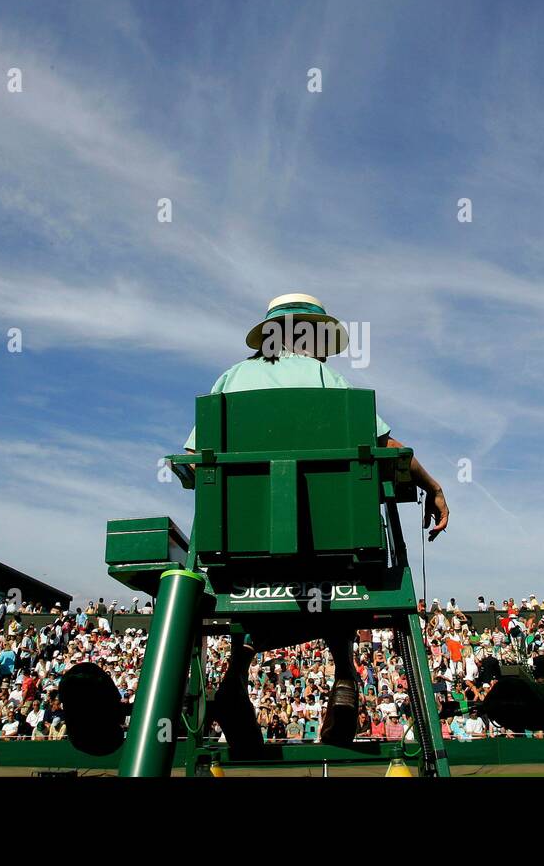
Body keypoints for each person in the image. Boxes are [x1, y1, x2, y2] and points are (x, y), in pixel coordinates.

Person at [183, 295, 451, 750]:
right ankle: (345, 677)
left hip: (237, 560)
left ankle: (236, 677)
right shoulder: (328, 380)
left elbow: (192, 464)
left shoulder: (229, 379)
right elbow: (388, 448)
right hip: (333, 560)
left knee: (262, 570)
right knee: (341, 560)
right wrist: (435, 487)